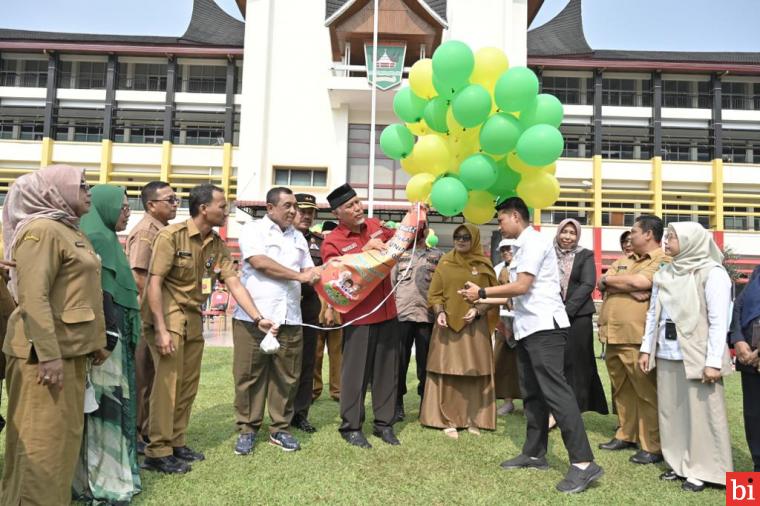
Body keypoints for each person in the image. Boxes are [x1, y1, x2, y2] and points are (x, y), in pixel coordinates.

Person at [461, 197, 602, 494]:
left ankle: (584, 463)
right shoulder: (522, 247)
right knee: (532, 394)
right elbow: (514, 297)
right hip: (527, 329)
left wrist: (483, 290)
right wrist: (481, 299)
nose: (499, 225)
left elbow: (522, 286)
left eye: (500, 219)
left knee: (557, 393)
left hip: (545, 328)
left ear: (515, 216)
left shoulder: (534, 242)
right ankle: (535, 453)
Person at [142, 183, 275, 473]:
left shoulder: (215, 243)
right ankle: (157, 450)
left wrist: (256, 316)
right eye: (222, 206)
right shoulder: (171, 236)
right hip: (169, 316)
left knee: (187, 386)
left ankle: (176, 442)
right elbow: (154, 283)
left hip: (193, 317)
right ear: (204, 208)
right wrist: (161, 330)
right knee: (167, 387)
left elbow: (233, 282)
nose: (226, 212)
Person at [1, 164, 107, 506]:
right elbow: (34, 297)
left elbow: (80, 293)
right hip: (43, 359)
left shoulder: (67, 229)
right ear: (54, 191)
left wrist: (95, 342)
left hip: (69, 353)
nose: (89, 190)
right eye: (82, 185)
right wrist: (48, 354)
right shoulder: (42, 230)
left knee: (60, 445)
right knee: (39, 446)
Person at [639, 222, 733, 491]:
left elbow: (718, 322)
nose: (666, 241)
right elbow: (653, 314)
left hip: (698, 356)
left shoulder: (712, 273)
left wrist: (714, 361)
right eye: (666, 236)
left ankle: (704, 469)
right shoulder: (665, 273)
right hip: (668, 351)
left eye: (671, 237)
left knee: (703, 415)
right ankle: (679, 463)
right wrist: (647, 348)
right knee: (672, 412)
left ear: (692, 241)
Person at [232, 187, 320, 455]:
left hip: (291, 317)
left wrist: (327, 270)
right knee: (249, 375)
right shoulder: (253, 229)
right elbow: (260, 262)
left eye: (295, 206)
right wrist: (300, 277)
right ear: (270, 208)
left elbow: (309, 271)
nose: (294, 211)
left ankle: (280, 429)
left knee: (288, 376)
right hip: (254, 316)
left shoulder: (299, 238)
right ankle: (247, 429)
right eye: (288, 206)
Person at [74, 185, 142, 503]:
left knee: (111, 406)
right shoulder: (97, 238)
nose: (127, 212)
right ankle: (102, 477)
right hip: (103, 343)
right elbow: (100, 295)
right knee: (104, 409)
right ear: (105, 206)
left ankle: (108, 472)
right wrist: (109, 338)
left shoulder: (109, 239)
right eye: (123, 206)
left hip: (112, 337)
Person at [321, 183, 400, 449]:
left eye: (357, 202)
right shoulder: (333, 241)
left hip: (388, 311)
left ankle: (384, 424)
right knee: (355, 375)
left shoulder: (375, 225)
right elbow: (334, 275)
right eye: (349, 206)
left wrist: (417, 219)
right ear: (337, 214)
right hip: (360, 317)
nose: (357, 209)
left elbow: (400, 238)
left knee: (386, 372)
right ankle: (351, 427)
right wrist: (365, 251)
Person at [597, 215, 668, 465]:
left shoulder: (663, 258)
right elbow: (601, 281)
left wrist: (616, 283)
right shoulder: (623, 259)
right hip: (612, 336)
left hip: (638, 338)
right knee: (621, 389)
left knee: (646, 392)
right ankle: (625, 434)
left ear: (648, 234)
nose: (631, 236)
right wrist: (619, 284)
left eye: (634, 232)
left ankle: (652, 444)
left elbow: (640, 281)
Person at [421, 224, 499, 438]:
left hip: (475, 326)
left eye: (466, 237)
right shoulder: (445, 262)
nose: (461, 240)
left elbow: (493, 296)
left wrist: (477, 310)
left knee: (475, 372)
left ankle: (473, 419)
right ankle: (447, 419)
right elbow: (435, 294)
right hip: (447, 325)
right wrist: (440, 313)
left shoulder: (484, 264)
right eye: (457, 236)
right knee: (446, 372)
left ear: (473, 239)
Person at [125, 180, 178, 453]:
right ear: (151, 205)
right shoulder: (146, 232)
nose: (175, 204)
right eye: (169, 200)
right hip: (147, 315)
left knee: (155, 375)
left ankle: (146, 430)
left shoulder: (163, 230)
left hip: (157, 312)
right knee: (143, 377)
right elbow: (139, 277)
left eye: (176, 199)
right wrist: (159, 316)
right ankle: (137, 434)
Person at [554, 219, 608, 415]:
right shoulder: (548, 254)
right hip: (550, 315)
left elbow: (587, 284)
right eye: (564, 232)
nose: (568, 236)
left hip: (578, 317)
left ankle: (576, 407)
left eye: (572, 233)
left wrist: (566, 310)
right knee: (555, 362)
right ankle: (554, 407)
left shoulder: (585, 254)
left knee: (577, 362)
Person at [391, 223, 441, 421]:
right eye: (415, 230)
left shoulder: (438, 256)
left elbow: (440, 286)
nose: (418, 234)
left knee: (426, 364)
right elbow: (391, 284)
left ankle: (426, 404)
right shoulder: (399, 255)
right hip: (402, 315)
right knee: (398, 363)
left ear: (427, 232)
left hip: (426, 316)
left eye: (422, 230)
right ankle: (396, 404)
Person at [290, 193, 323, 433]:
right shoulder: (281, 238)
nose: (306, 215)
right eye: (302, 210)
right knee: (281, 363)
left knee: (307, 363)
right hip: (283, 308)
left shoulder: (319, 242)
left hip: (309, 309)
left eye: (310, 211)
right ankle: (279, 412)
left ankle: (300, 414)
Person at [730, 265, 760, 472]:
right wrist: (738, 339)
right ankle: (758, 464)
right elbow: (739, 306)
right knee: (753, 414)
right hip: (748, 354)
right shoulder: (757, 272)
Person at [313, 221, 342, 403]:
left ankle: (338, 391)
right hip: (316, 313)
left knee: (337, 355)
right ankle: (313, 390)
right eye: (325, 235)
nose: (327, 239)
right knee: (315, 354)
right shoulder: (314, 258)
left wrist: (331, 309)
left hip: (337, 313)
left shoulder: (340, 259)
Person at [492, 239, 521, 416]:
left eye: (509, 249)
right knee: (503, 362)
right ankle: (507, 401)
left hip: (525, 320)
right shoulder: (497, 269)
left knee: (526, 362)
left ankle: (531, 403)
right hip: (503, 321)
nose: (506, 252)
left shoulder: (524, 266)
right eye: (503, 249)